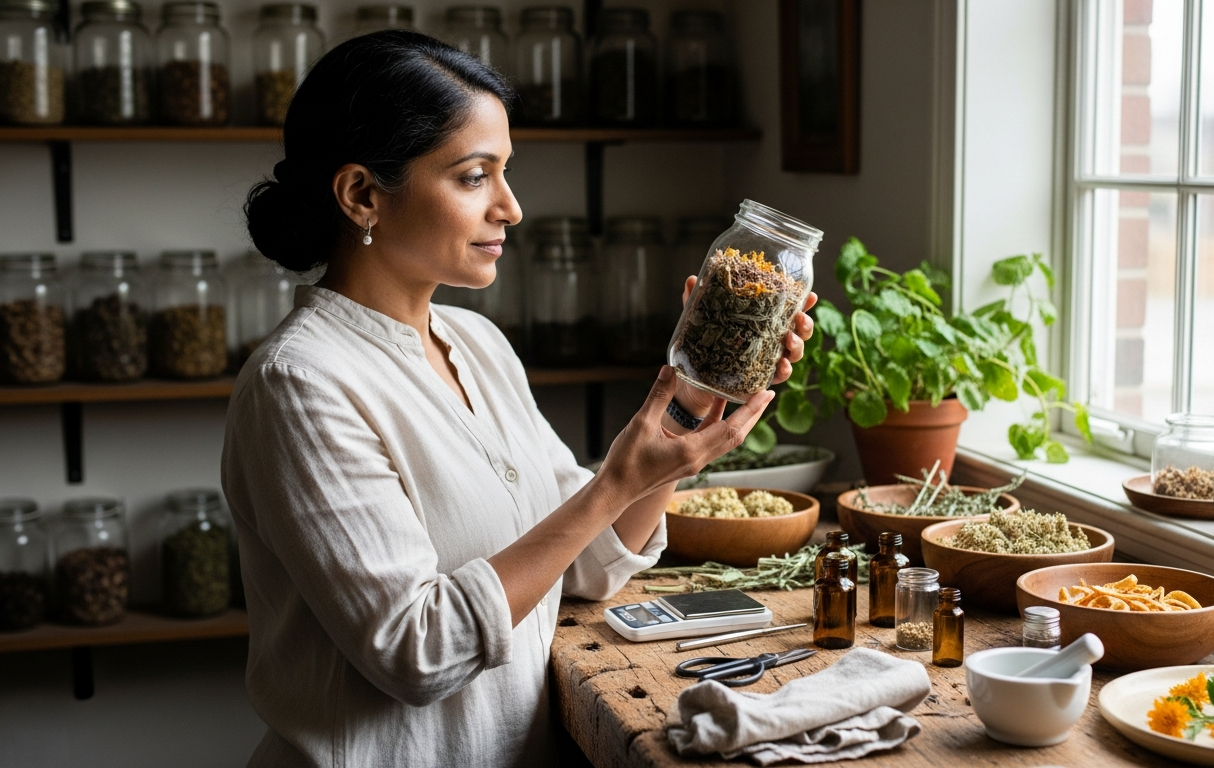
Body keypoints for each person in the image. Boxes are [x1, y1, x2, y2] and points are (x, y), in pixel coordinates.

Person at [225, 30, 816, 768]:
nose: (512, 207)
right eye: (474, 177)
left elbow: (587, 566)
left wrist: (688, 403)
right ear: (362, 195)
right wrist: (614, 486)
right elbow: (417, 653)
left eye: (505, 174)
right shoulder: (301, 384)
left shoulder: (477, 345)